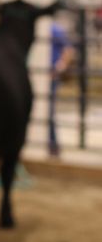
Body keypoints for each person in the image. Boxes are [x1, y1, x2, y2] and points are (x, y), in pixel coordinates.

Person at [49, 17, 76, 156]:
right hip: (44, 76)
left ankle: (53, 146)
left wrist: (59, 68)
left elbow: (69, 50)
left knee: (48, 110)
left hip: (51, 77)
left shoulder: (54, 29)